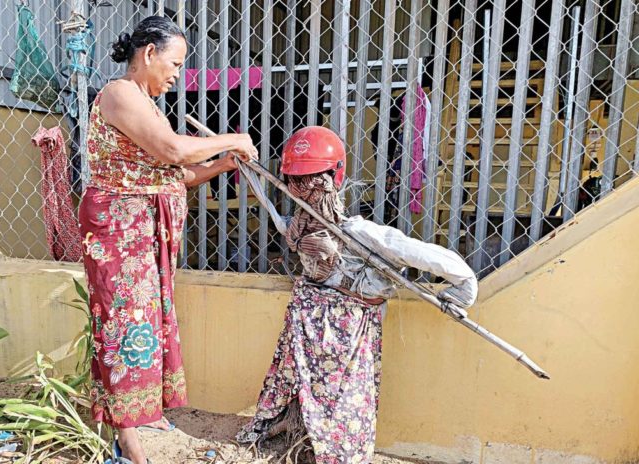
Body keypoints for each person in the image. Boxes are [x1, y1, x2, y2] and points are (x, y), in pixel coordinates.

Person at [237, 126, 477, 463]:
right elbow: (274, 212)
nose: (304, 190)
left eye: (310, 181)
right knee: (311, 385)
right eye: (296, 181)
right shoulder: (299, 226)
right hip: (310, 328)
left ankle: (326, 446)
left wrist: (463, 287)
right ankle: (297, 432)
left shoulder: (355, 233)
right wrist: (246, 168)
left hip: (342, 334)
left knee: (340, 392)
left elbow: (417, 252)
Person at [78, 15, 258, 464]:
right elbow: (174, 150)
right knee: (124, 332)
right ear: (149, 53)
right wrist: (230, 139)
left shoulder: (145, 102)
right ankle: (130, 444)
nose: (178, 73)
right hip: (119, 234)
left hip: (141, 237)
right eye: (174, 63)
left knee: (143, 329)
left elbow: (172, 174)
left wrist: (222, 164)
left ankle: (140, 419)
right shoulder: (120, 94)